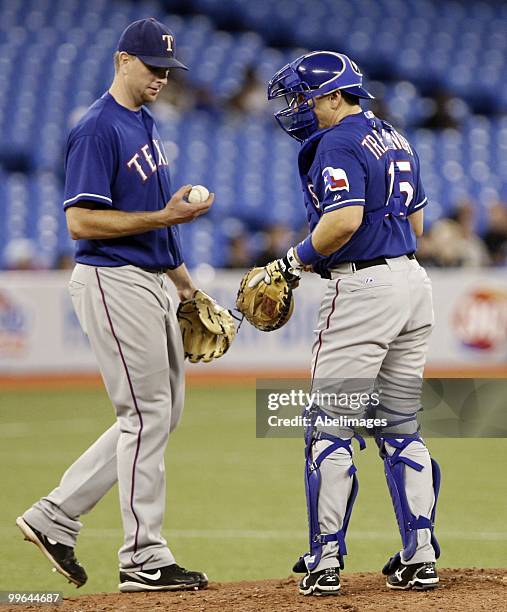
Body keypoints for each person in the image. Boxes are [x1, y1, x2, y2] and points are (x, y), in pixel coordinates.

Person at [16, 18, 214, 593]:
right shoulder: (98, 129)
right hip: (112, 280)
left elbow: (158, 222)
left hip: (150, 278)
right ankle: (142, 556)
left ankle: (55, 515)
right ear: (123, 60)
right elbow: (80, 220)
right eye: (153, 68)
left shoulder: (145, 123)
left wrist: (186, 287)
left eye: (168, 71)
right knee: (146, 414)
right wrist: (163, 219)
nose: (161, 79)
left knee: (161, 413)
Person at [264, 51, 440, 595]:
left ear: (335, 95)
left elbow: (343, 219)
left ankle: (325, 561)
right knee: (399, 425)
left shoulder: (338, 141)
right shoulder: (393, 136)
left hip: (364, 287)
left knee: (328, 427)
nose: (301, 107)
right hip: (413, 280)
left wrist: (290, 263)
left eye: (308, 97)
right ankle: (420, 554)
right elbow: (417, 218)